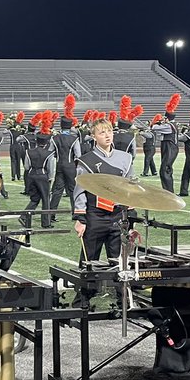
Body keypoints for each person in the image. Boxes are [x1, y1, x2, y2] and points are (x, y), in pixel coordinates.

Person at [73, 116, 135, 263]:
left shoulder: (125, 158)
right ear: (94, 136)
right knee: (89, 263)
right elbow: (80, 191)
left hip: (118, 215)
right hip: (94, 216)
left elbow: (130, 187)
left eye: (109, 131)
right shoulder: (86, 161)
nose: (107, 136)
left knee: (118, 262)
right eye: (102, 132)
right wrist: (81, 219)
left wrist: (131, 215)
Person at [21, 112, 57, 229]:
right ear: (46, 143)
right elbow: (50, 169)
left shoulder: (29, 152)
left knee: (34, 199)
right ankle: (46, 223)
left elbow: (26, 167)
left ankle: (24, 216)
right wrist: (50, 178)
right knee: (45, 200)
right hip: (42, 176)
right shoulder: (49, 153)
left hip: (31, 175)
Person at [49, 96, 81, 221]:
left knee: (57, 190)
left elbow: (50, 152)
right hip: (71, 166)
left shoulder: (54, 138)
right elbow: (78, 155)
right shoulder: (74, 139)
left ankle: (51, 214)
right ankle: (76, 213)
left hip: (59, 165)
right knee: (73, 190)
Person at [153, 94, 181, 192]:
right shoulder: (172, 125)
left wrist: (158, 122)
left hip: (170, 148)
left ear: (167, 118)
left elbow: (154, 128)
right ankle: (168, 190)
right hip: (170, 147)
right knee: (166, 169)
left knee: (165, 169)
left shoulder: (169, 126)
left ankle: (168, 191)